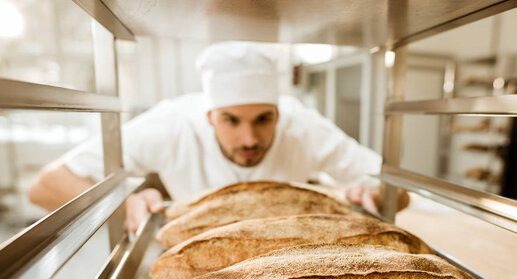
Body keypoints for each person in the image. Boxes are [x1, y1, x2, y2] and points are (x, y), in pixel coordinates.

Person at [28, 42, 407, 232]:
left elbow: (398, 191)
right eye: (231, 121)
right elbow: (45, 186)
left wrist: (370, 195)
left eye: (263, 119)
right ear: (209, 116)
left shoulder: (302, 127)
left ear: (279, 113)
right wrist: (123, 205)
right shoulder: (171, 125)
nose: (249, 138)